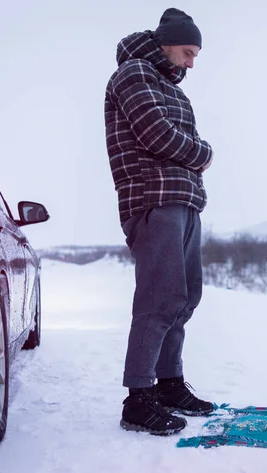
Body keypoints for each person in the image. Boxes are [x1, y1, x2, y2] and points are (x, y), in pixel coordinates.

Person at [104, 8, 214, 435]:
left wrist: (194, 160)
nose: (191, 63)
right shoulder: (134, 74)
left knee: (184, 299)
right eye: (188, 52)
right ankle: (139, 398)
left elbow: (173, 138)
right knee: (158, 300)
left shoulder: (169, 87)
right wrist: (204, 154)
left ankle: (168, 384)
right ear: (166, 43)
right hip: (153, 200)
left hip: (184, 202)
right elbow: (157, 135)